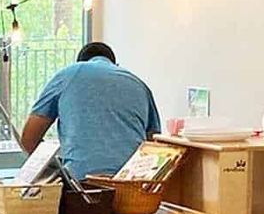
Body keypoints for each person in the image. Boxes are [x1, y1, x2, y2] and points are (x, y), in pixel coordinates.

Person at [20, 42, 162, 182]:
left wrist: (56, 168)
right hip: (131, 183)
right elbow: (154, 145)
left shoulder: (71, 73)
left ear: (80, 62)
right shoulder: (139, 84)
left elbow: (28, 139)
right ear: (115, 65)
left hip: (82, 183)